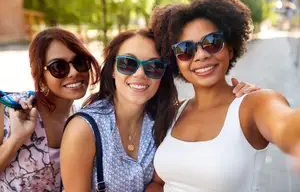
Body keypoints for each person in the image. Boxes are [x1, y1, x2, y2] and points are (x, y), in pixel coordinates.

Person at [60, 28, 259, 192]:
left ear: (162, 75)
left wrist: (238, 93)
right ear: (113, 69)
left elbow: (206, 107)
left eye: (153, 66)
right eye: (128, 64)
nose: (139, 74)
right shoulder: (83, 130)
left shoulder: (167, 119)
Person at [147, 0, 300, 191]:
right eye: (185, 49)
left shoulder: (254, 104)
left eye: (212, 42)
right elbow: (159, 183)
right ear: (176, 61)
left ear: (229, 48)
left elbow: (285, 124)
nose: (201, 55)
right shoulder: (174, 112)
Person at [0, 27, 100, 192]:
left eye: (80, 62)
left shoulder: (83, 119)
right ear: (41, 76)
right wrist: (15, 140)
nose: (74, 72)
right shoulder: (12, 110)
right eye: (59, 67)